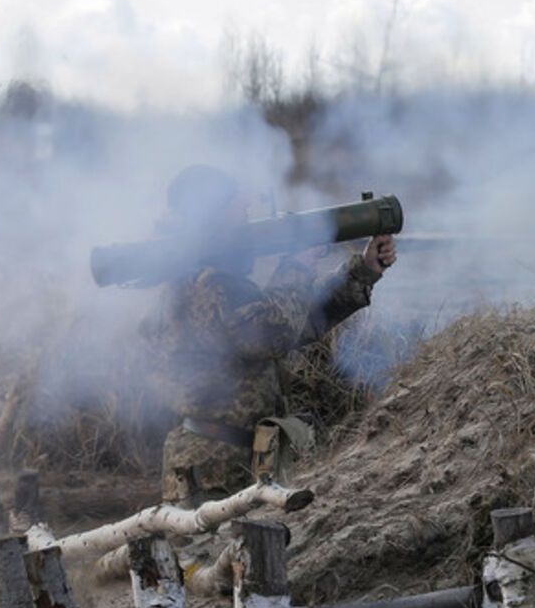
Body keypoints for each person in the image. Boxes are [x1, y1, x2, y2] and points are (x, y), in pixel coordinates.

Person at [147, 164, 397, 505]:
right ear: (213, 217)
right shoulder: (207, 285)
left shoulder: (212, 279)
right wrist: (298, 264)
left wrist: (362, 271)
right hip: (213, 467)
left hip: (230, 457)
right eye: (239, 212)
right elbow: (273, 333)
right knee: (214, 557)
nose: (248, 223)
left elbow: (294, 324)